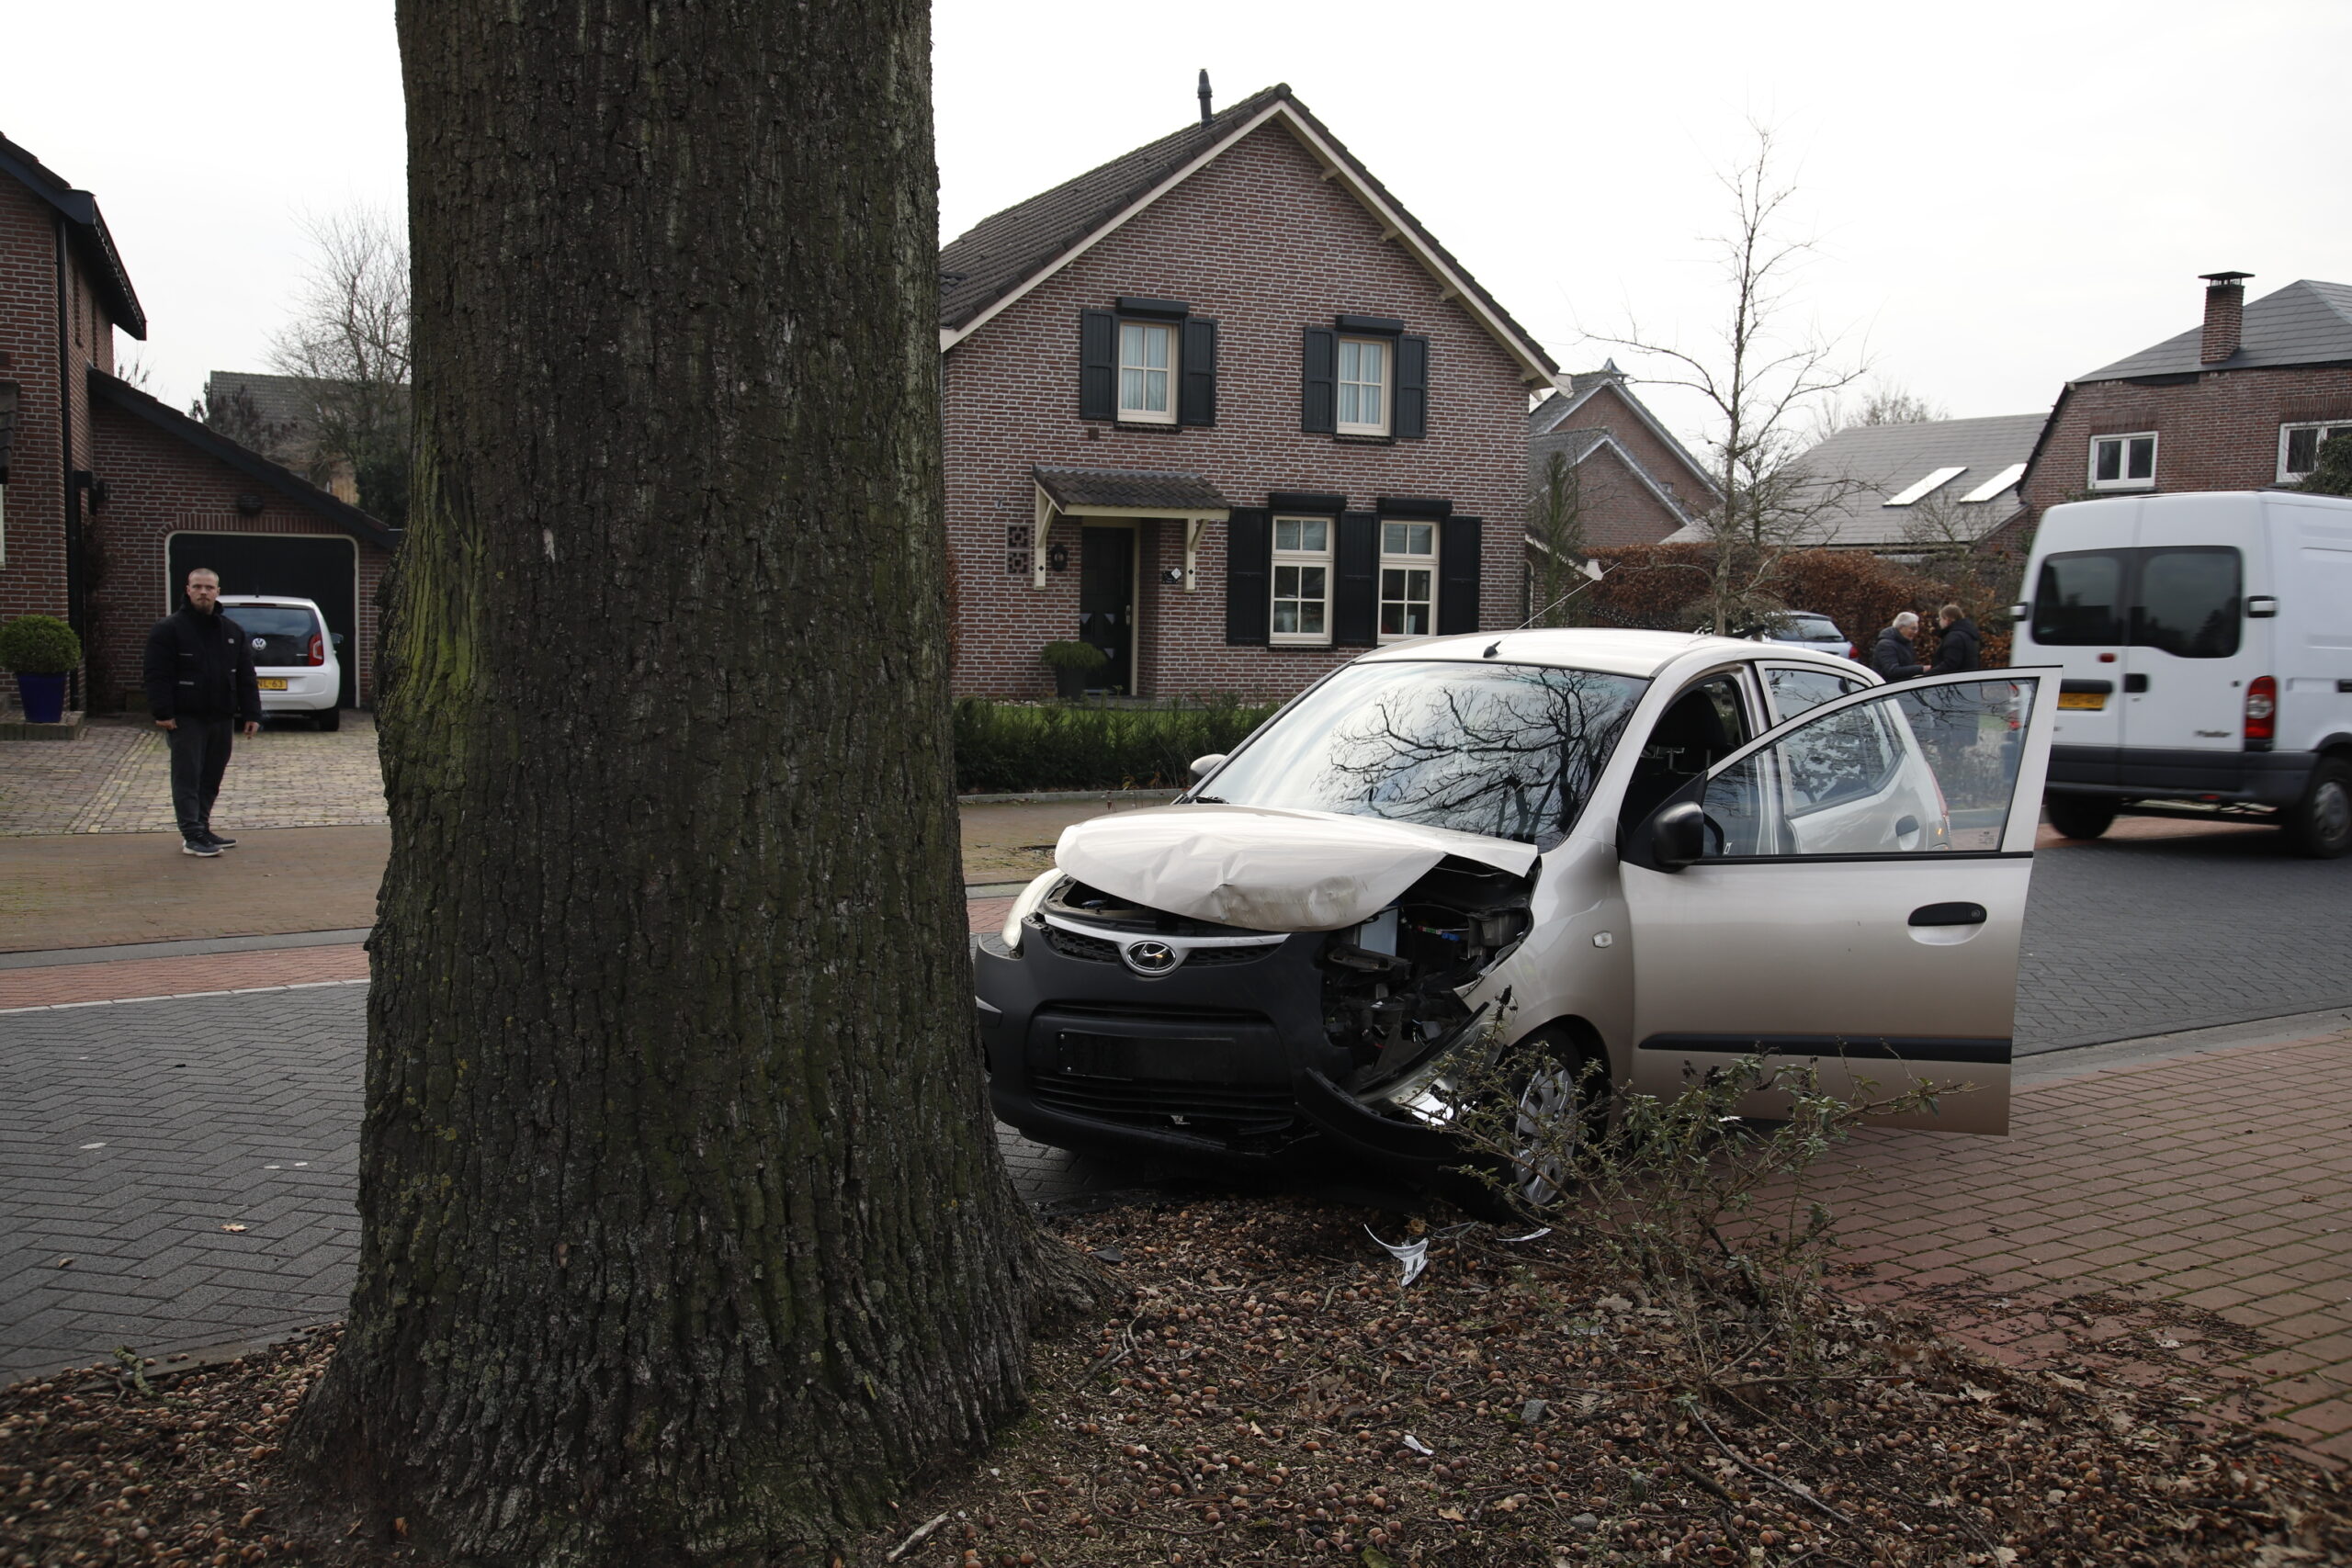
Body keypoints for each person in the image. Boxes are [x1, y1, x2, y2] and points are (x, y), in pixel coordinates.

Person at [143, 567, 260, 857]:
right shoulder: (168, 630)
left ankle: (203, 827)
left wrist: (252, 713)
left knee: (211, 775)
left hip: (221, 716)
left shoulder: (232, 632)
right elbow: (156, 674)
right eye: (198, 587)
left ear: (218, 591)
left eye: (209, 587)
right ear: (188, 589)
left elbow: (245, 675)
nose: (204, 592)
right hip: (186, 717)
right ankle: (191, 834)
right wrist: (163, 711)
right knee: (187, 776)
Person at [1870, 611, 1924, 682]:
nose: (1916, 632)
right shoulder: (1885, 645)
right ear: (1901, 628)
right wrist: (1921, 669)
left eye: (1917, 629)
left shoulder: (1906, 642)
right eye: (1913, 629)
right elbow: (1892, 671)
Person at [1931, 603, 1983, 674]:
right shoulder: (1967, 634)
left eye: (1940, 619)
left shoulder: (1954, 637)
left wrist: (1927, 675)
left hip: (1956, 682)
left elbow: (1950, 664)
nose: (1939, 622)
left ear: (1947, 619)